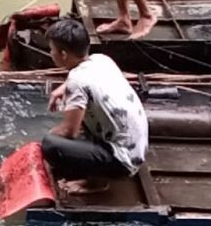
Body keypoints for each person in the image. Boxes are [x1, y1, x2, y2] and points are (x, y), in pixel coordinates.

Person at [42, 19, 148, 194]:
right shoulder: (101, 59)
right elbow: (80, 80)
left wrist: (46, 138)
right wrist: (62, 89)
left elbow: (70, 131)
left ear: (63, 54)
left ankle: (95, 183)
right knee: (83, 115)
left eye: (52, 49)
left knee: (50, 145)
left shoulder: (77, 81)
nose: (50, 53)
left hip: (122, 162)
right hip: (136, 149)